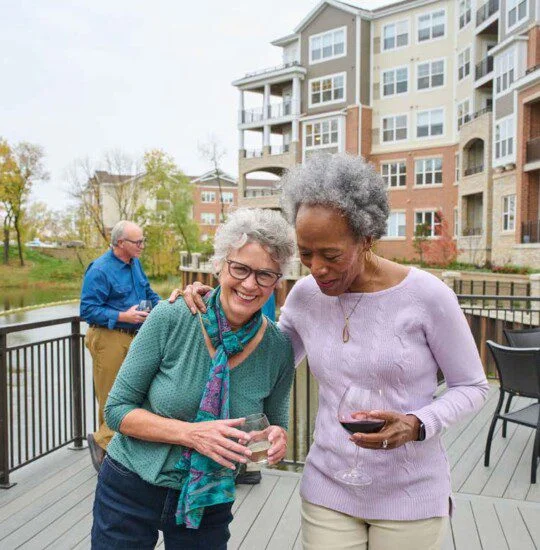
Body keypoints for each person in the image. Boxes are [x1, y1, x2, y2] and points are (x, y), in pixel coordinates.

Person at [178, 153, 490, 550]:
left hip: (411, 492)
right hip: (329, 487)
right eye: (306, 254)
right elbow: (264, 355)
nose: (316, 268)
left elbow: (472, 386)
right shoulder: (307, 296)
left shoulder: (428, 296)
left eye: (331, 255)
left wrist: (416, 422)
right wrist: (211, 307)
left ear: (366, 239)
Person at [91, 208, 296, 549]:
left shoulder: (278, 349)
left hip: (209, 499)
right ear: (219, 265)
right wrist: (192, 435)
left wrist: (275, 437)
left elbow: (276, 423)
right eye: (240, 268)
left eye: (265, 275)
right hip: (131, 486)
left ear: (278, 281)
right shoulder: (172, 317)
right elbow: (116, 410)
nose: (249, 284)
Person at [80, 220, 160, 472]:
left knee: (133, 393)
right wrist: (123, 316)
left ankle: (109, 446)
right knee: (110, 394)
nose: (142, 246)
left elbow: (147, 294)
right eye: (137, 242)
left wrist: (167, 306)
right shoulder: (100, 270)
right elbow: (87, 310)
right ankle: (104, 445)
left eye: (142, 241)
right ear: (120, 243)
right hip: (108, 336)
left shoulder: (134, 264)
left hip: (133, 337)